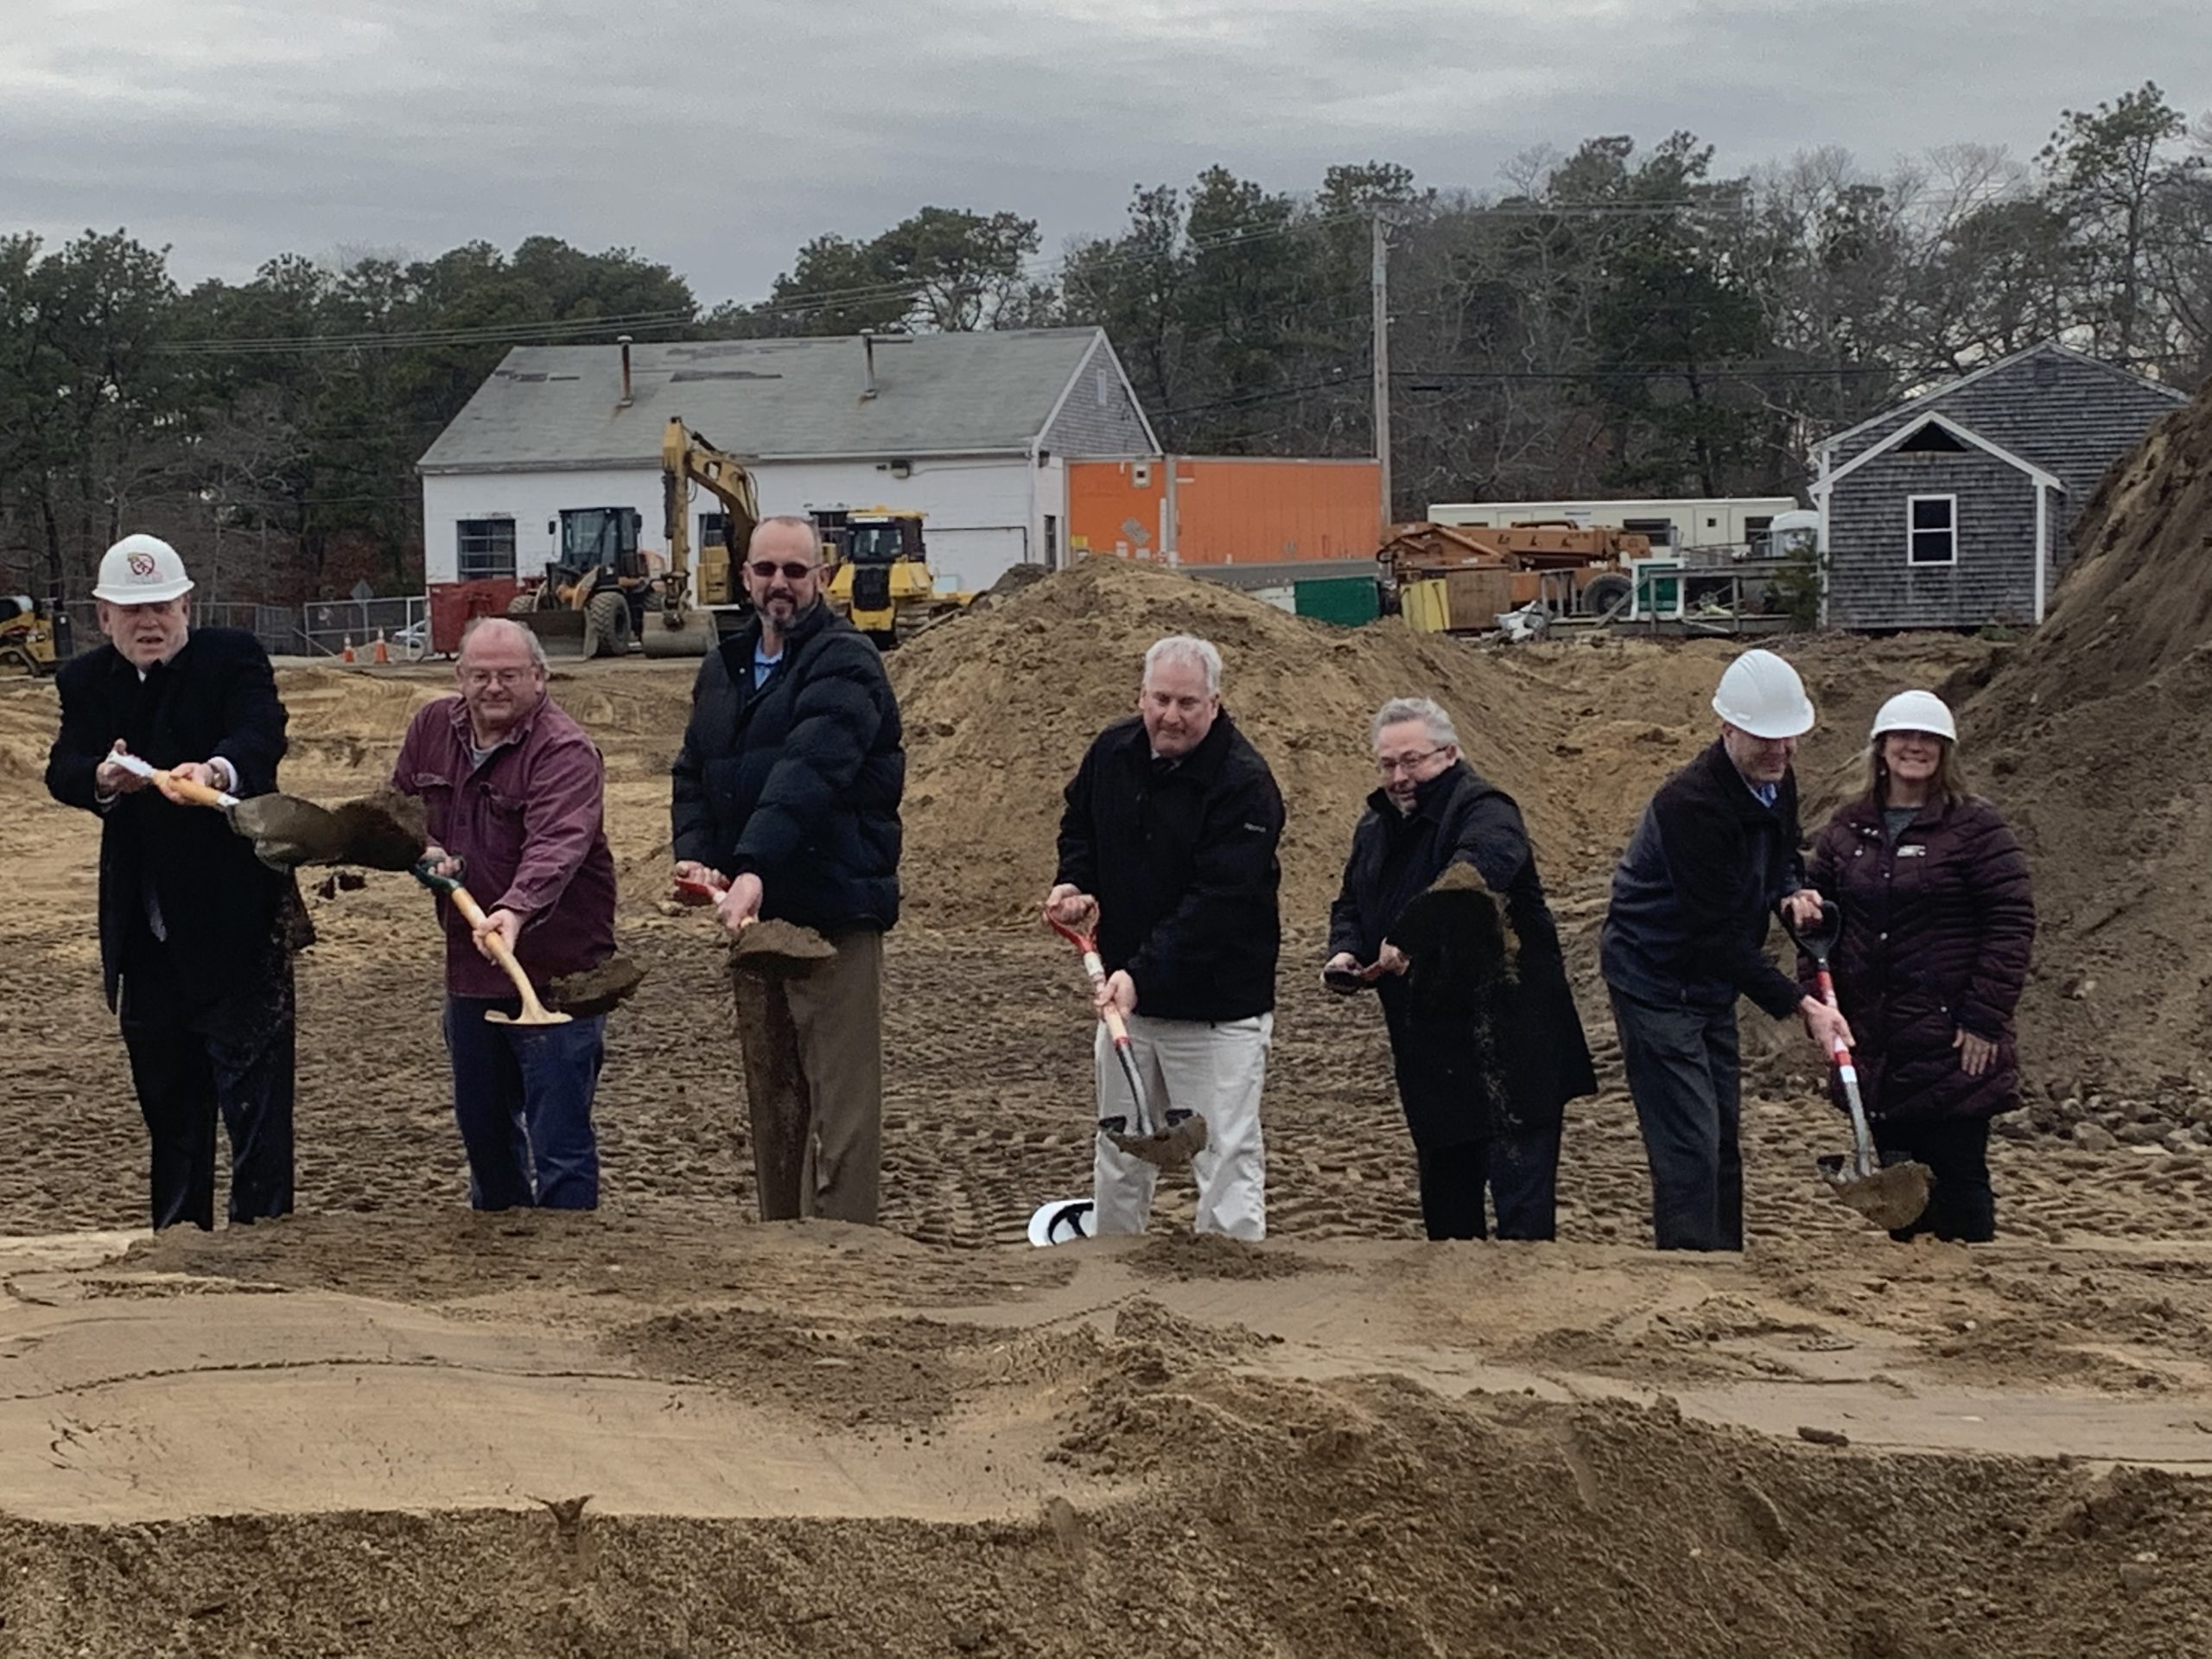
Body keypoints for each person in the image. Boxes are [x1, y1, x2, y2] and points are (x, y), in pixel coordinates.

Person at [45, 533, 308, 1230]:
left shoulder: (232, 659)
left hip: (238, 929)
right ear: (103, 617)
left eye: (161, 605)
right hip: (146, 935)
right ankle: (178, 1241)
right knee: (169, 1107)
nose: (149, 622)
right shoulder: (84, 681)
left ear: (187, 603)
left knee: (254, 1109)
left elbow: (261, 734)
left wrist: (216, 771)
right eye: (132, 611)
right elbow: (63, 767)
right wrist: (100, 778)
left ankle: (264, 1240)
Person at [670, 515, 904, 1224]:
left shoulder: (846, 662)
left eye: (795, 572)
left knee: (842, 1102)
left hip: (833, 911)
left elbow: (809, 773)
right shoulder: (724, 666)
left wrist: (752, 869)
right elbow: (694, 771)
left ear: (821, 578)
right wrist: (700, 856)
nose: (780, 584)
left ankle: (847, 1248)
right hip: (754, 914)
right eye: (766, 569)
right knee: (774, 1097)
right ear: (744, 577)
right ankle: (781, 1243)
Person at [1600, 647, 1853, 1251]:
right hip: (1655, 978)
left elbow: (1782, 852)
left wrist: (1791, 892)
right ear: (1727, 728)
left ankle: (1727, 1265)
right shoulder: (1690, 806)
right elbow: (1713, 935)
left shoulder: (1776, 778)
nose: (1782, 752)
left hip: (1709, 984)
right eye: (1766, 740)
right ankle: (1689, 1279)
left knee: (1722, 1141)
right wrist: (1805, 1007)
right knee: (1688, 1144)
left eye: (1790, 739)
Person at [1326, 697, 1595, 1241]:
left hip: (1509, 1050)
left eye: (1413, 762)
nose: (1400, 778)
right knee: (1448, 1234)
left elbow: (1474, 877)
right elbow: (1351, 900)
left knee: (1524, 1233)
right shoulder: (1375, 826)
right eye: (1388, 764)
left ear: (1449, 754)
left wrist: (1407, 934)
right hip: (1430, 1056)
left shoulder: (1487, 809)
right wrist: (1345, 949)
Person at [1046, 634, 1285, 1241]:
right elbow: (1080, 825)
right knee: (1120, 1148)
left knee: (1223, 1154)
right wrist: (1075, 881)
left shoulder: (1245, 784)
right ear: (1141, 696)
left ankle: (1233, 1288)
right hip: (1131, 1005)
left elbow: (1219, 903)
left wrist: (1140, 974)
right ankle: (1112, 1267)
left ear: (1215, 703)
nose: (1171, 716)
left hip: (1216, 1011)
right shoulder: (1112, 752)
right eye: (1160, 700)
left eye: (1187, 703)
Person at [392, 617, 619, 1211]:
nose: (494, 687)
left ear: (540, 678)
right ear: (459, 676)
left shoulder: (564, 750)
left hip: (558, 971)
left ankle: (567, 1261)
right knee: (485, 1131)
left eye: (510, 675)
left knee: (559, 1137)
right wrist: (422, 848)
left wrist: (515, 912)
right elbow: (398, 809)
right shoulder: (431, 728)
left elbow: (559, 845)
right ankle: (501, 1254)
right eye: (480, 674)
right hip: (471, 968)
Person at [1802, 690, 2034, 1243]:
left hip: (1951, 1043)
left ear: (1946, 751)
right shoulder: (1847, 830)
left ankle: (1973, 1298)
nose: (1915, 747)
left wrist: (1983, 1017)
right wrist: (1817, 1003)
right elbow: (1814, 927)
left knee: (1958, 1180)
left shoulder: (1976, 828)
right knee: (1900, 1195)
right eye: (1904, 737)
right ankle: (1916, 1305)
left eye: (1928, 738)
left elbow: (2011, 922)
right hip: (1877, 1043)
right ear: (1881, 748)